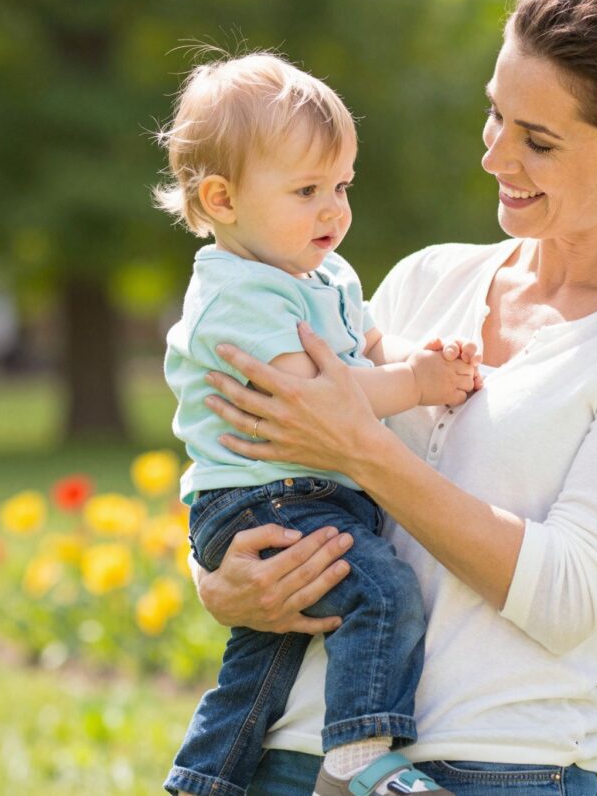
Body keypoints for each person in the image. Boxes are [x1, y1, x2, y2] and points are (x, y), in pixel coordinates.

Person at [193, 0, 597, 795]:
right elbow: (257, 460)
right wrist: (218, 582)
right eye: (495, 114)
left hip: (494, 768)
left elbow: (571, 597)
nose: (494, 154)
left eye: (538, 140)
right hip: (289, 759)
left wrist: (363, 449)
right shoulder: (425, 280)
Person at [154, 52, 477, 796]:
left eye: (342, 186)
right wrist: (417, 385)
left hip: (301, 496)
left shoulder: (324, 274)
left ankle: (202, 781)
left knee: (262, 665)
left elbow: (367, 347)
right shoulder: (237, 294)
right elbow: (319, 400)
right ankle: (359, 756)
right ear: (222, 199)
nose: (334, 210)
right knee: (382, 593)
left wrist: (416, 356)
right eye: (307, 191)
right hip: (261, 501)